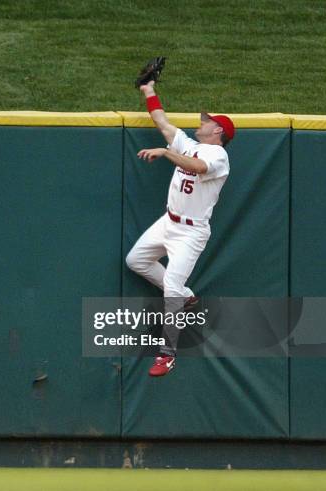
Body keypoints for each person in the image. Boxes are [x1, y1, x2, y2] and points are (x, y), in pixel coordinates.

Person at [125, 80, 235, 377]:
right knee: (135, 261)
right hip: (169, 222)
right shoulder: (191, 145)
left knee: (170, 287)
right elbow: (162, 122)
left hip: (191, 233)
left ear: (218, 132)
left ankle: (167, 354)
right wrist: (149, 90)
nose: (202, 122)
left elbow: (198, 168)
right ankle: (186, 296)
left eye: (208, 121)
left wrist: (165, 153)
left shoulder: (219, 156)